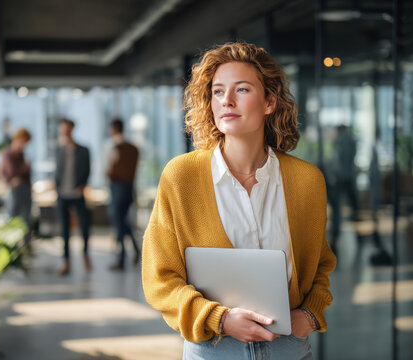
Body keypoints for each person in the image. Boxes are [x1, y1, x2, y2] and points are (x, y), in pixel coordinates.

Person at [142, 42, 336, 359]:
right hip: (214, 347)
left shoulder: (306, 180)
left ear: (269, 101)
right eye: (218, 92)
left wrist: (310, 315)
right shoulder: (181, 176)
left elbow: (321, 265)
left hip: (288, 346)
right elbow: (160, 277)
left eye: (241, 89)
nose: (227, 101)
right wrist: (220, 319)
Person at [55, 118, 91, 275]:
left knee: (84, 225)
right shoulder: (59, 150)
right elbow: (57, 171)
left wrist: (83, 185)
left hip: (77, 193)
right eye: (62, 129)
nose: (64, 132)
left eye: (67, 129)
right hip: (62, 194)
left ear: (72, 129)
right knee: (64, 229)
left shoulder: (83, 150)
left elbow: (88, 169)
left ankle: (85, 253)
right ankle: (66, 260)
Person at [106, 119, 140, 270]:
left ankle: (121, 258)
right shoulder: (134, 149)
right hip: (129, 189)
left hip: (117, 188)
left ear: (113, 129)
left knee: (119, 223)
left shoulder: (113, 148)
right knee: (123, 222)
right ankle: (135, 248)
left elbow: (109, 170)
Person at [0, 128, 33, 251]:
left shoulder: (21, 155)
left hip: (25, 190)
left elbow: (25, 175)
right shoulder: (7, 154)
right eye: (24, 141)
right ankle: (9, 248)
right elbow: (9, 173)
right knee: (12, 218)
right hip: (14, 191)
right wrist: (24, 168)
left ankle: (26, 246)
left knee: (26, 220)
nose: (24, 145)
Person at [328, 124, 358, 254]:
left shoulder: (339, 142)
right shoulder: (351, 141)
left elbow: (336, 161)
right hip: (349, 177)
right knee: (354, 208)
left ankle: (335, 239)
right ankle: (359, 235)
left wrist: (333, 175)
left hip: (340, 178)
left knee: (337, 210)